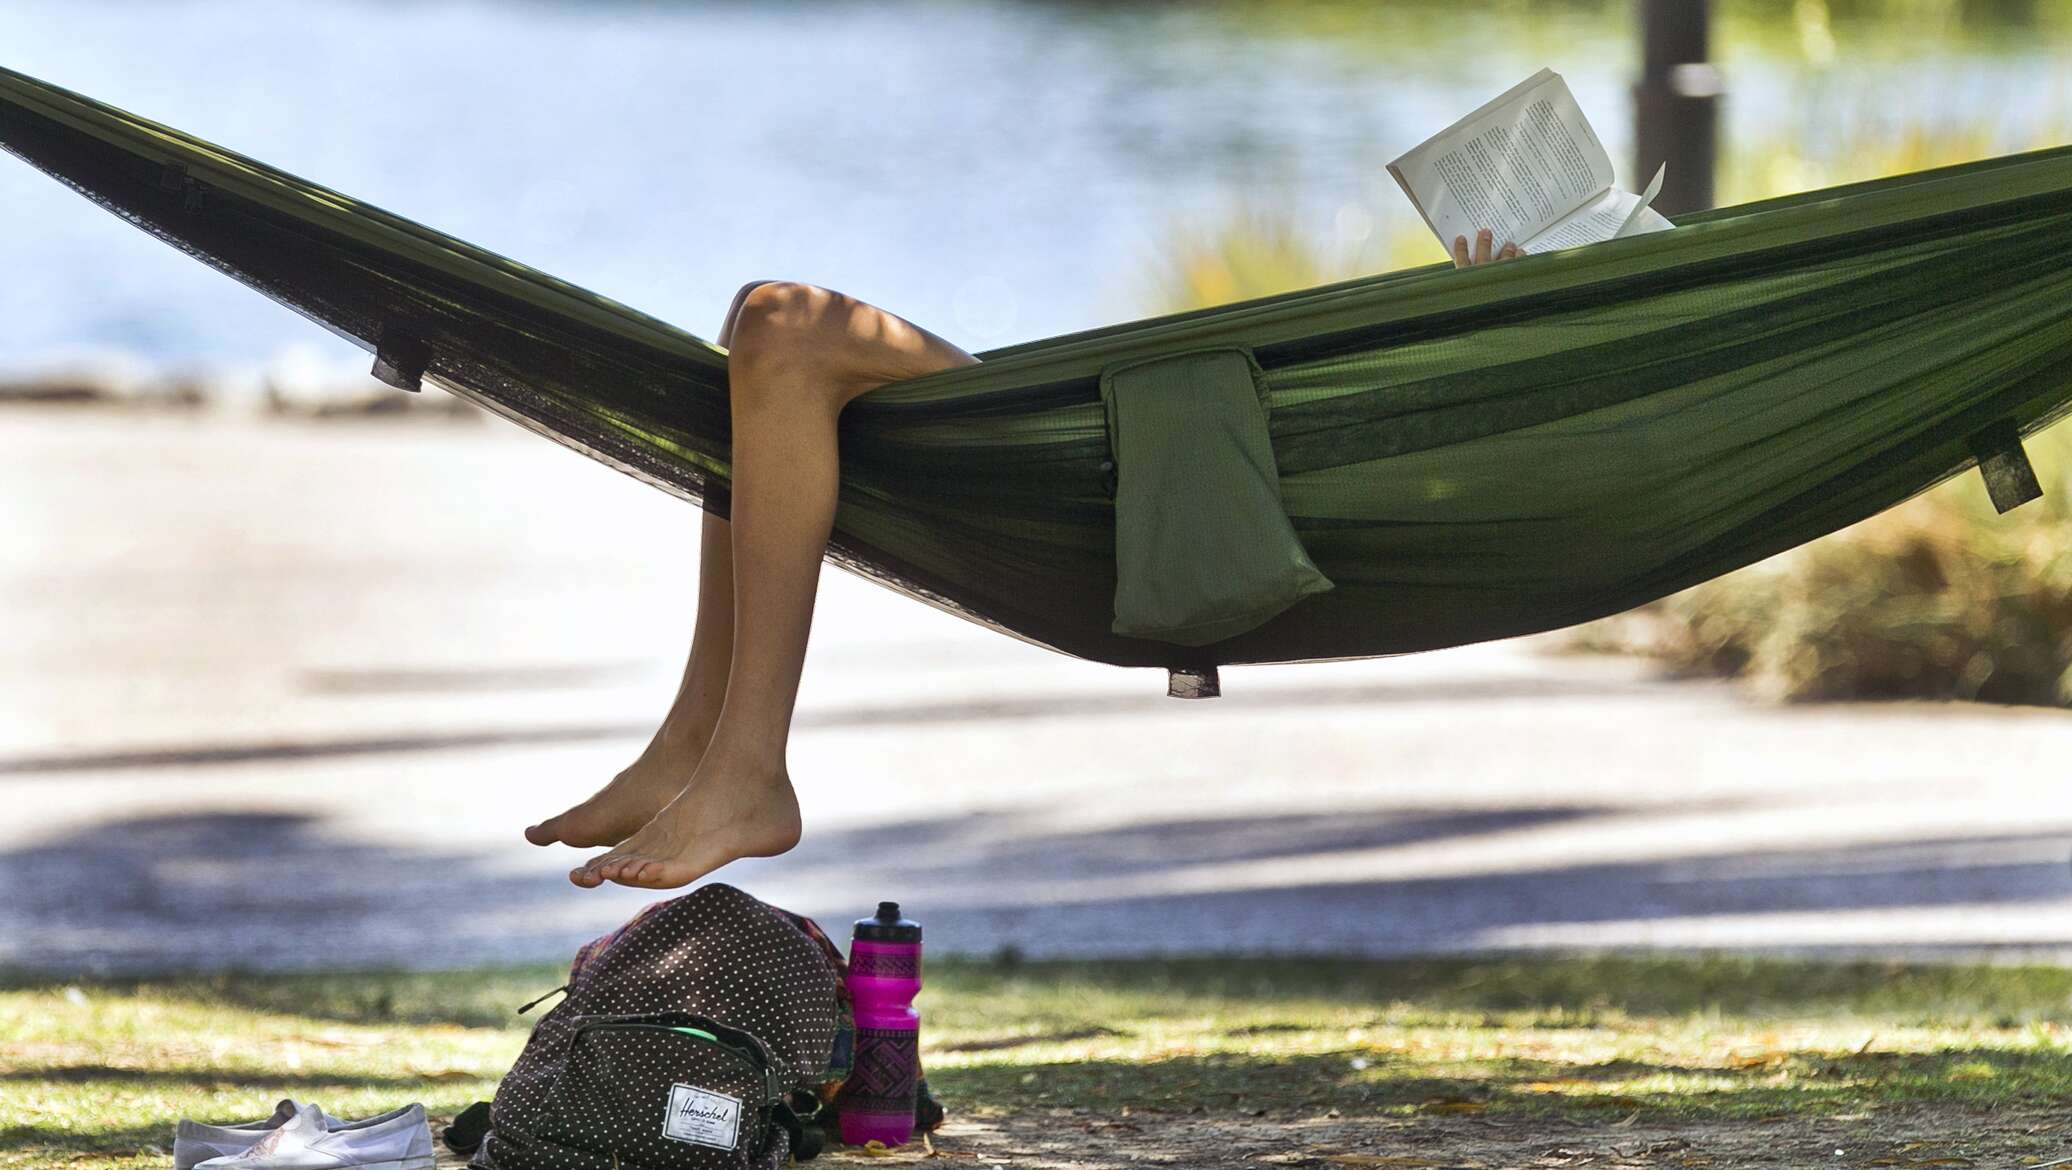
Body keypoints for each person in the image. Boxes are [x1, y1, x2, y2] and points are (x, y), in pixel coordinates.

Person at [527, 230, 1522, 891]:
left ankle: (744, 771)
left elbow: (1480, 462)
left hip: (1138, 491)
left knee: (784, 328)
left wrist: (1497, 322)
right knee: (759, 318)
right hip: (1141, 452)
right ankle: (697, 743)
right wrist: (1500, 303)